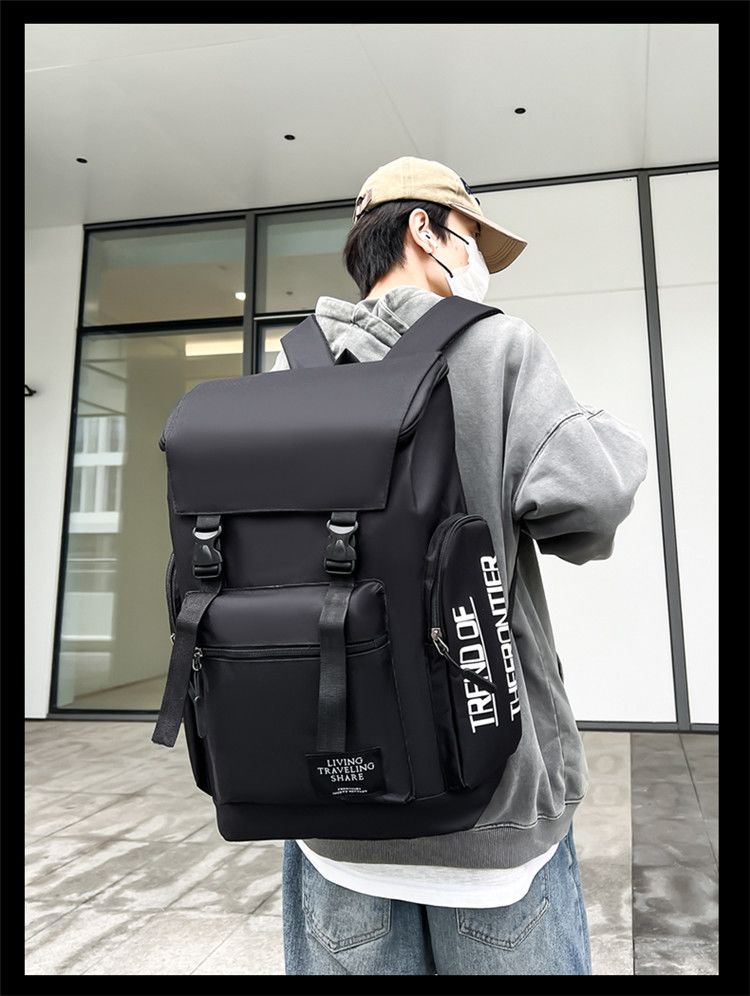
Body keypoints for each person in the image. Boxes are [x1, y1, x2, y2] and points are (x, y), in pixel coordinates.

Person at [271, 156, 649, 975]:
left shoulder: (288, 365)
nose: (477, 261)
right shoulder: (494, 346)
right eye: (470, 237)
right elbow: (592, 499)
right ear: (423, 230)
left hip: (331, 812)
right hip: (489, 815)